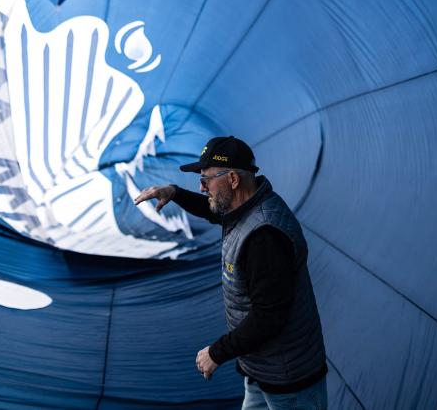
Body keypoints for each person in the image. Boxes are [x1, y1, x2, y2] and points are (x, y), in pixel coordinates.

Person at [134, 136, 328, 410]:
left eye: (206, 180)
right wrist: (175, 193)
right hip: (260, 369)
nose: (202, 188)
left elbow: (269, 317)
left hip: (289, 381)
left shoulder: (265, 237)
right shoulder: (244, 205)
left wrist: (217, 353)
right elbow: (213, 209)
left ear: (233, 179)